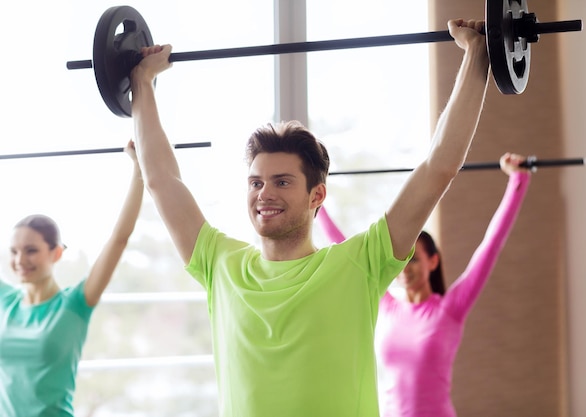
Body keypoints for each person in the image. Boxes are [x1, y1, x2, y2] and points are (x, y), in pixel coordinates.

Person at [129, 17, 489, 417]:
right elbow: (161, 180)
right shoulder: (220, 263)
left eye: (282, 182)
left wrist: (477, 55)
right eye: (256, 182)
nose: (264, 193)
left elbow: (438, 168)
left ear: (317, 195)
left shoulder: (358, 264)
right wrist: (142, 83)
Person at [317, 152, 532, 417]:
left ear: (433, 261)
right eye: (402, 261)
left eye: (414, 260)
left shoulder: (450, 309)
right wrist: (315, 202)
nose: (405, 269)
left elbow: (491, 243)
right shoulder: (386, 305)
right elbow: (343, 249)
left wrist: (517, 181)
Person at [0, 141, 144, 417]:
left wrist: (138, 168)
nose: (20, 261)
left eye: (31, 251)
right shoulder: (6, 301)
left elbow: (119, 239)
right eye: (14, 251)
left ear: (55, 253)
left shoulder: (75, 303)